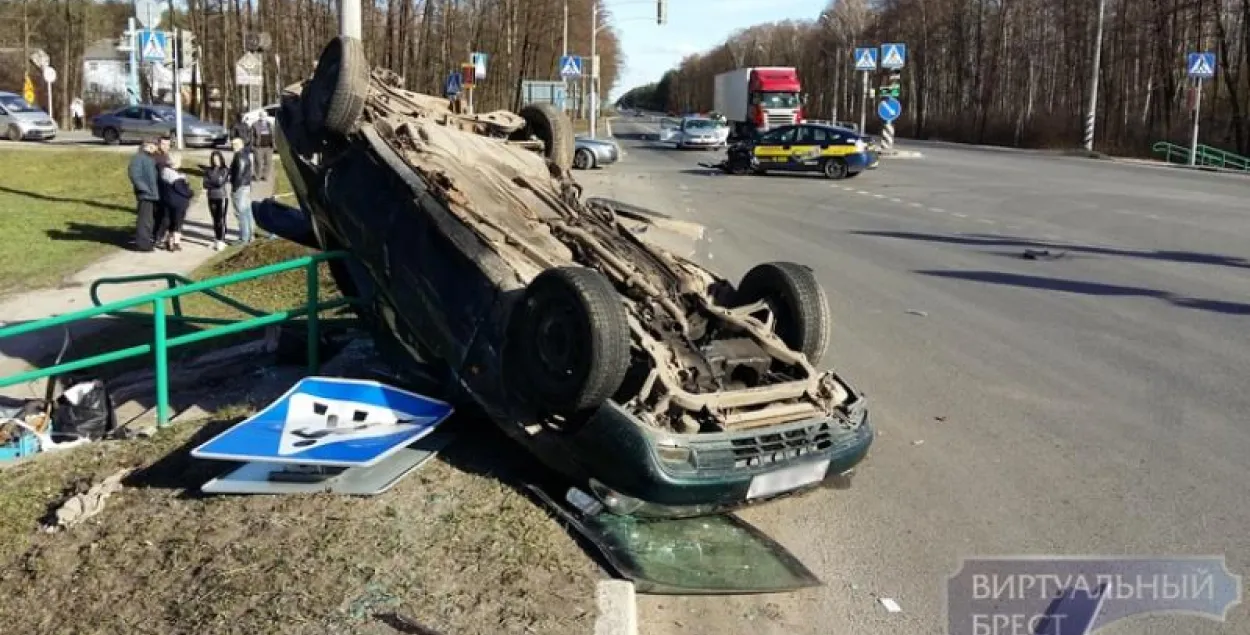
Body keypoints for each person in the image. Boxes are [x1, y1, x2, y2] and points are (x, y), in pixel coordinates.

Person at [126, 139, 160, 252]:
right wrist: (144, 189)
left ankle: (146, 241)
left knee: (149, 220)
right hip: (146, 194)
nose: (156, 148)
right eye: (154, 145)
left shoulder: (149, 158)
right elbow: (134, 175)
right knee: (144, 220)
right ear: (147, 145)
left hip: (152, 194)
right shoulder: (139, 158)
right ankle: (142, 244)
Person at [157, 152, 194, 252]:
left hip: (167, 201)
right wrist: (190, 192)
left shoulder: (164, 172)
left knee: (169, 221)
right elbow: (183, 190)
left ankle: (168, 241)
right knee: (177, 223)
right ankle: (175, 243)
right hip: (179, 202)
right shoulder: (176, 176)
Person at [202, 151, 231, 251]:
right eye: (214, 159)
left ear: (221, 159)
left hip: (221, 196)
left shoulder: (225, 169)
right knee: (214, 219)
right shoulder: (208, 170)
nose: (216, 161)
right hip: (211, 197)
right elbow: (205, 184)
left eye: (217, 159)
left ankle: (222, 240)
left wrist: (212, 182)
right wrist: (213, 182)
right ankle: (217, 239)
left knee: (221, 219)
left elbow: (220, 183)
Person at [229, 137, 255, 244]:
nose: (232, 146)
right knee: (247, 210)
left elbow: (239, 172)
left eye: (235, 144)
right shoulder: (245, 154)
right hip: (246, 185)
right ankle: (250, 235)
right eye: (232, 144)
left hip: (240, 187)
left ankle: (243, 237)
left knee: (240, 212)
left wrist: (235, 188)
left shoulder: (239, 156)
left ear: (240, 145)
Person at [152, 135, 173, 248]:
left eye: (168, 145)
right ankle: (157, 237)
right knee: (161, 215)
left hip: (166, 189)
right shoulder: (156, 156)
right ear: (159, 144)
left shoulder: (165, 155)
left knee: (163, 215)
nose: (166, 146)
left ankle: (158, 237)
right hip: (158, 189)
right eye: (164, 144)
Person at [250, 111, 275, 181]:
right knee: (258, 162)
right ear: (259, 116)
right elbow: (252, 136)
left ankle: (265, 176)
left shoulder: (269, 124)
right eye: (262, 116)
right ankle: (257, 176)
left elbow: (273, 135)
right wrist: (252, 145)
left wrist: (273, 144)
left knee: (268, 162)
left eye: (265, 116)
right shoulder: (254, 124)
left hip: (269, 147)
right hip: (258, 147)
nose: (263, 118)